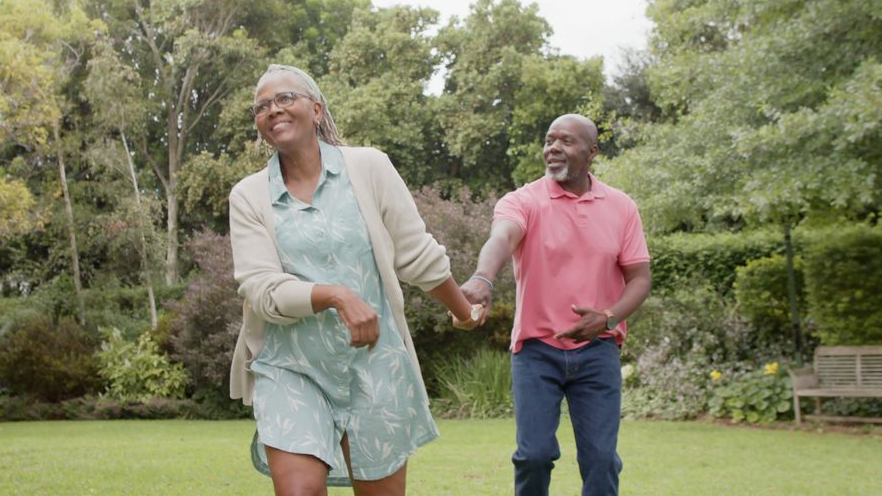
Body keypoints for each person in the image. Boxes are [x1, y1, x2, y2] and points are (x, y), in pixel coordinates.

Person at [227, 64, 485, 496]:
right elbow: (261, 289)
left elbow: (416, 253)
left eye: (285, 98)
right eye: (262, 106)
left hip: (374, 364)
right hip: (292, 367)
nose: (273, 109)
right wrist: (335, 295)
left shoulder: (368, 167)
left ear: (316, 107)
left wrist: (464, 312)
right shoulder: (249, 196)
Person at [460, 114, 651, 496]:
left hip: (597, 352)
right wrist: (483, 276)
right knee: (534, 455)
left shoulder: (621, 207)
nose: (553, 148)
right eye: (549, 140)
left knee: (601, 460)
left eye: (566, 141)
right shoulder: (524, 200)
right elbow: (502, 236)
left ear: (592, 152)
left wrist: (607, 317)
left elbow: (640, 279)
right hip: (536, 352)